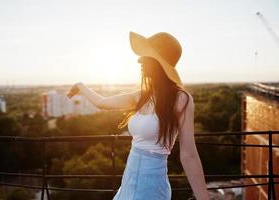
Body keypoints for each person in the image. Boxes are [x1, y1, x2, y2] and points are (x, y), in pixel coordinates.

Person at [67, 31, 210, 200]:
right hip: (129, 179)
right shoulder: (141, 96)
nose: (139, 60)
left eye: (145, 56)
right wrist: (81, 86)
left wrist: (204, 198)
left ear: (159, 63)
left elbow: (189, 155)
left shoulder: (181, 99)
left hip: (152, 185)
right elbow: (102, 102)